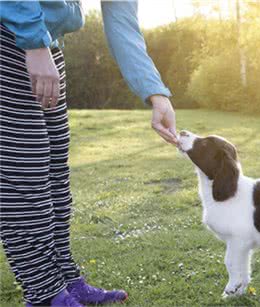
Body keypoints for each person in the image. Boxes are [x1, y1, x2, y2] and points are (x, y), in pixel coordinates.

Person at [0, 1, 178, 306]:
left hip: (45, 44)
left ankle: (66, 280)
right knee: (25, 174)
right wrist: (33, 43)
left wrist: (155, 92)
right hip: (14, 35)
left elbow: (122, 22)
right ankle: (45, 294)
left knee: (54, 175)